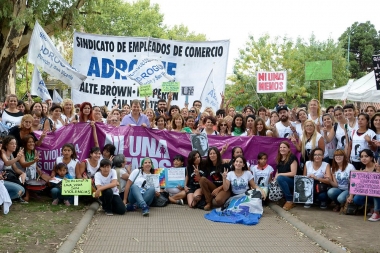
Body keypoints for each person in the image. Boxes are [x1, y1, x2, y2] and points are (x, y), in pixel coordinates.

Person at [347, 149, 380, 221]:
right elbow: (356, 184)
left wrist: (378, 171)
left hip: (377, 194)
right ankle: (372, 207)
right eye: (361, 157)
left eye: (366, 156)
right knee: (357, 199)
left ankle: (376, 212)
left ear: (371, 158)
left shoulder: (377, 166)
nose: (364, 158)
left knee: (376, 192)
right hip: (369, 194)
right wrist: (351, 196)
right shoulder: (362, 169)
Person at [1, 135, 27, 202]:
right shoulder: (3, 152)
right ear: (6, 145)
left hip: (10, 174)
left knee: (22, 181)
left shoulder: (11, 155)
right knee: (17, 183)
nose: (14, 145)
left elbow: (15, 169)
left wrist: (23, 173)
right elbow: (6, 163)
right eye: (12, 144)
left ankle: (18, 196)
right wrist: (17, 158)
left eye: (15, 144)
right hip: (4, 174)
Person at [274, 141, 298, 211]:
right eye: (281, 147)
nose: (282, 149)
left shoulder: (292, 157)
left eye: (284, 147)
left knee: (280, 178)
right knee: (276, 180)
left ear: (289, 149)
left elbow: (293, 173)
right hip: (285, 180)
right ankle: (281, 199)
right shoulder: (279, 158)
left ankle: (290, 200)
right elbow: (278, 172)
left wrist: (279, 175)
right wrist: (275, 178)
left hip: (294, 181)